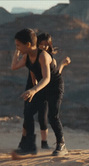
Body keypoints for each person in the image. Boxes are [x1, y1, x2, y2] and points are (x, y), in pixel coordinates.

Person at [11, 28, 68, 156]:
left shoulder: (42, 56)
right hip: (41, 87)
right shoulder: (27, 57)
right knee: (28, 111)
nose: (17, 48)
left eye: (18, 45)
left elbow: (47, 78)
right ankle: (29, 145)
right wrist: (17, 51)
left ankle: (61, 144)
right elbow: (14, 66)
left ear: (28, 45)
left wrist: (33, 90)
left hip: (54, 86)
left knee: (52, 116)